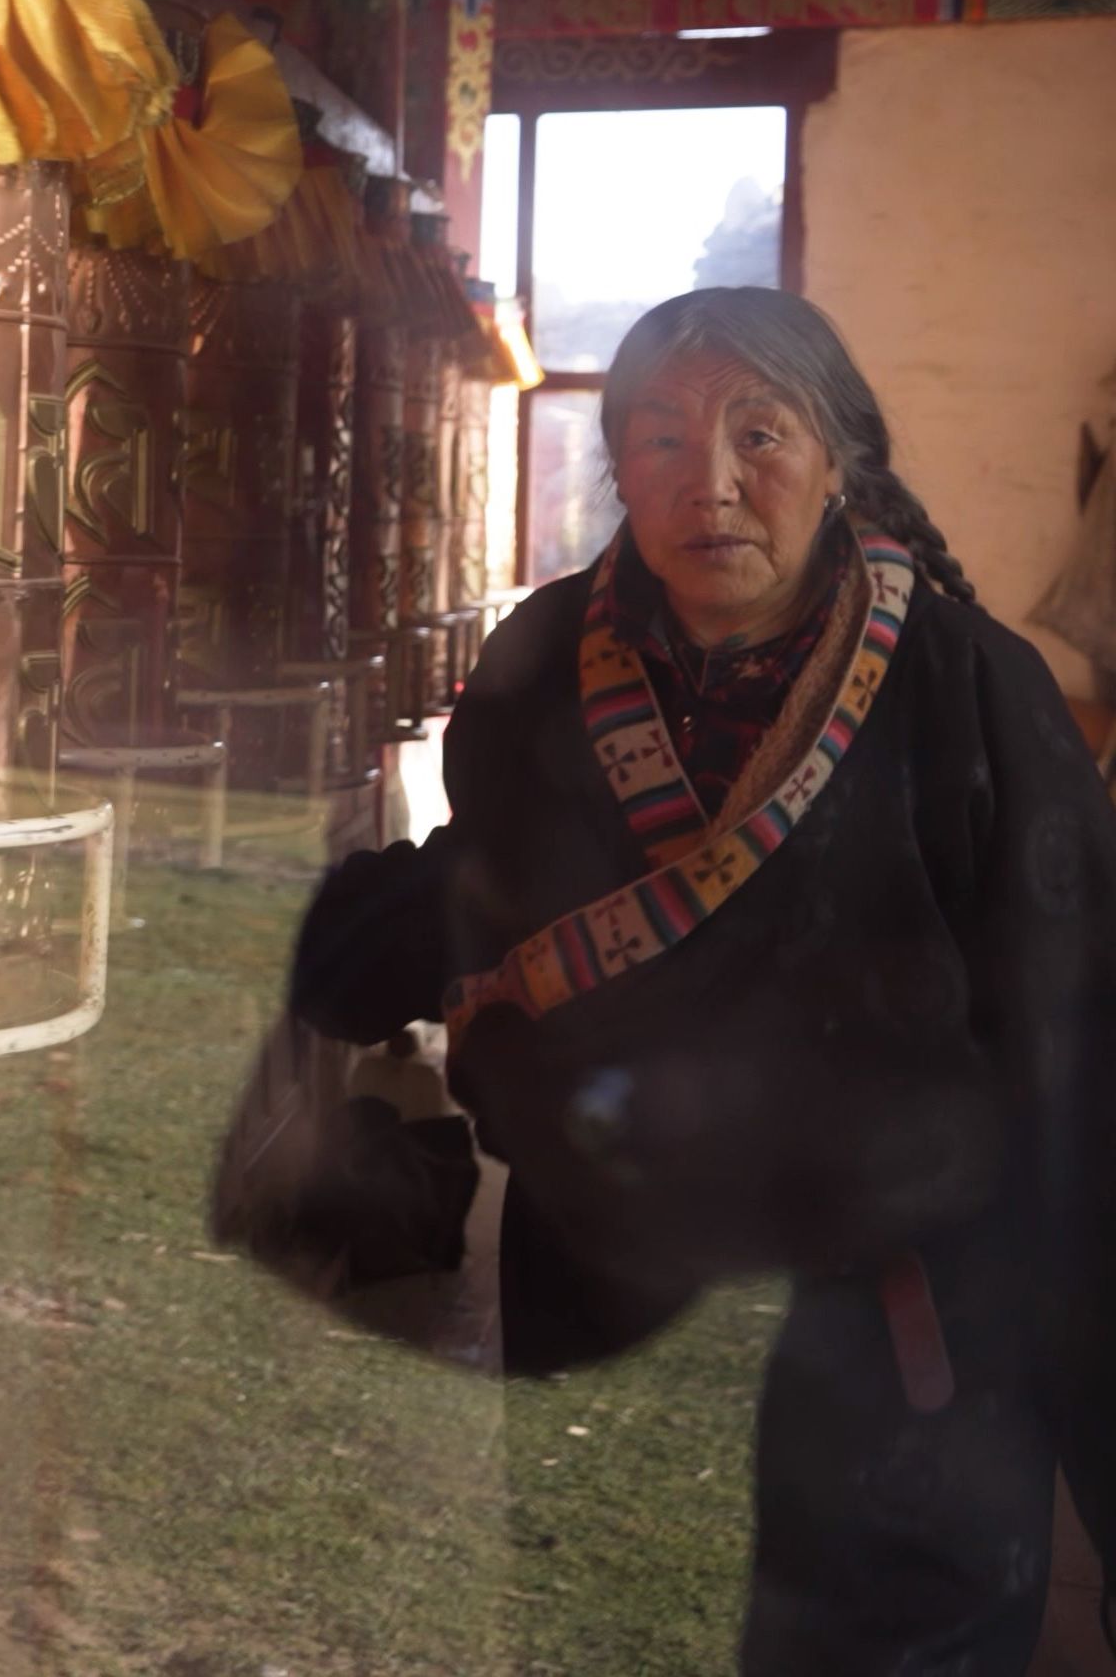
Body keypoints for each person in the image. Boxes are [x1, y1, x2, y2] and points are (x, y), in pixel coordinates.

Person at [286, 287, 1116, 1674]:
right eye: (662, 436)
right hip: (603, 1299)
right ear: (620, 464)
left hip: (900, 1349)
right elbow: (486, 891)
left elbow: (1080, 1072)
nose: (710, 482)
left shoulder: (973, 689)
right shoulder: (543, 661)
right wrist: (302, 945)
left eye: (760, 434)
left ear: (842, 459)